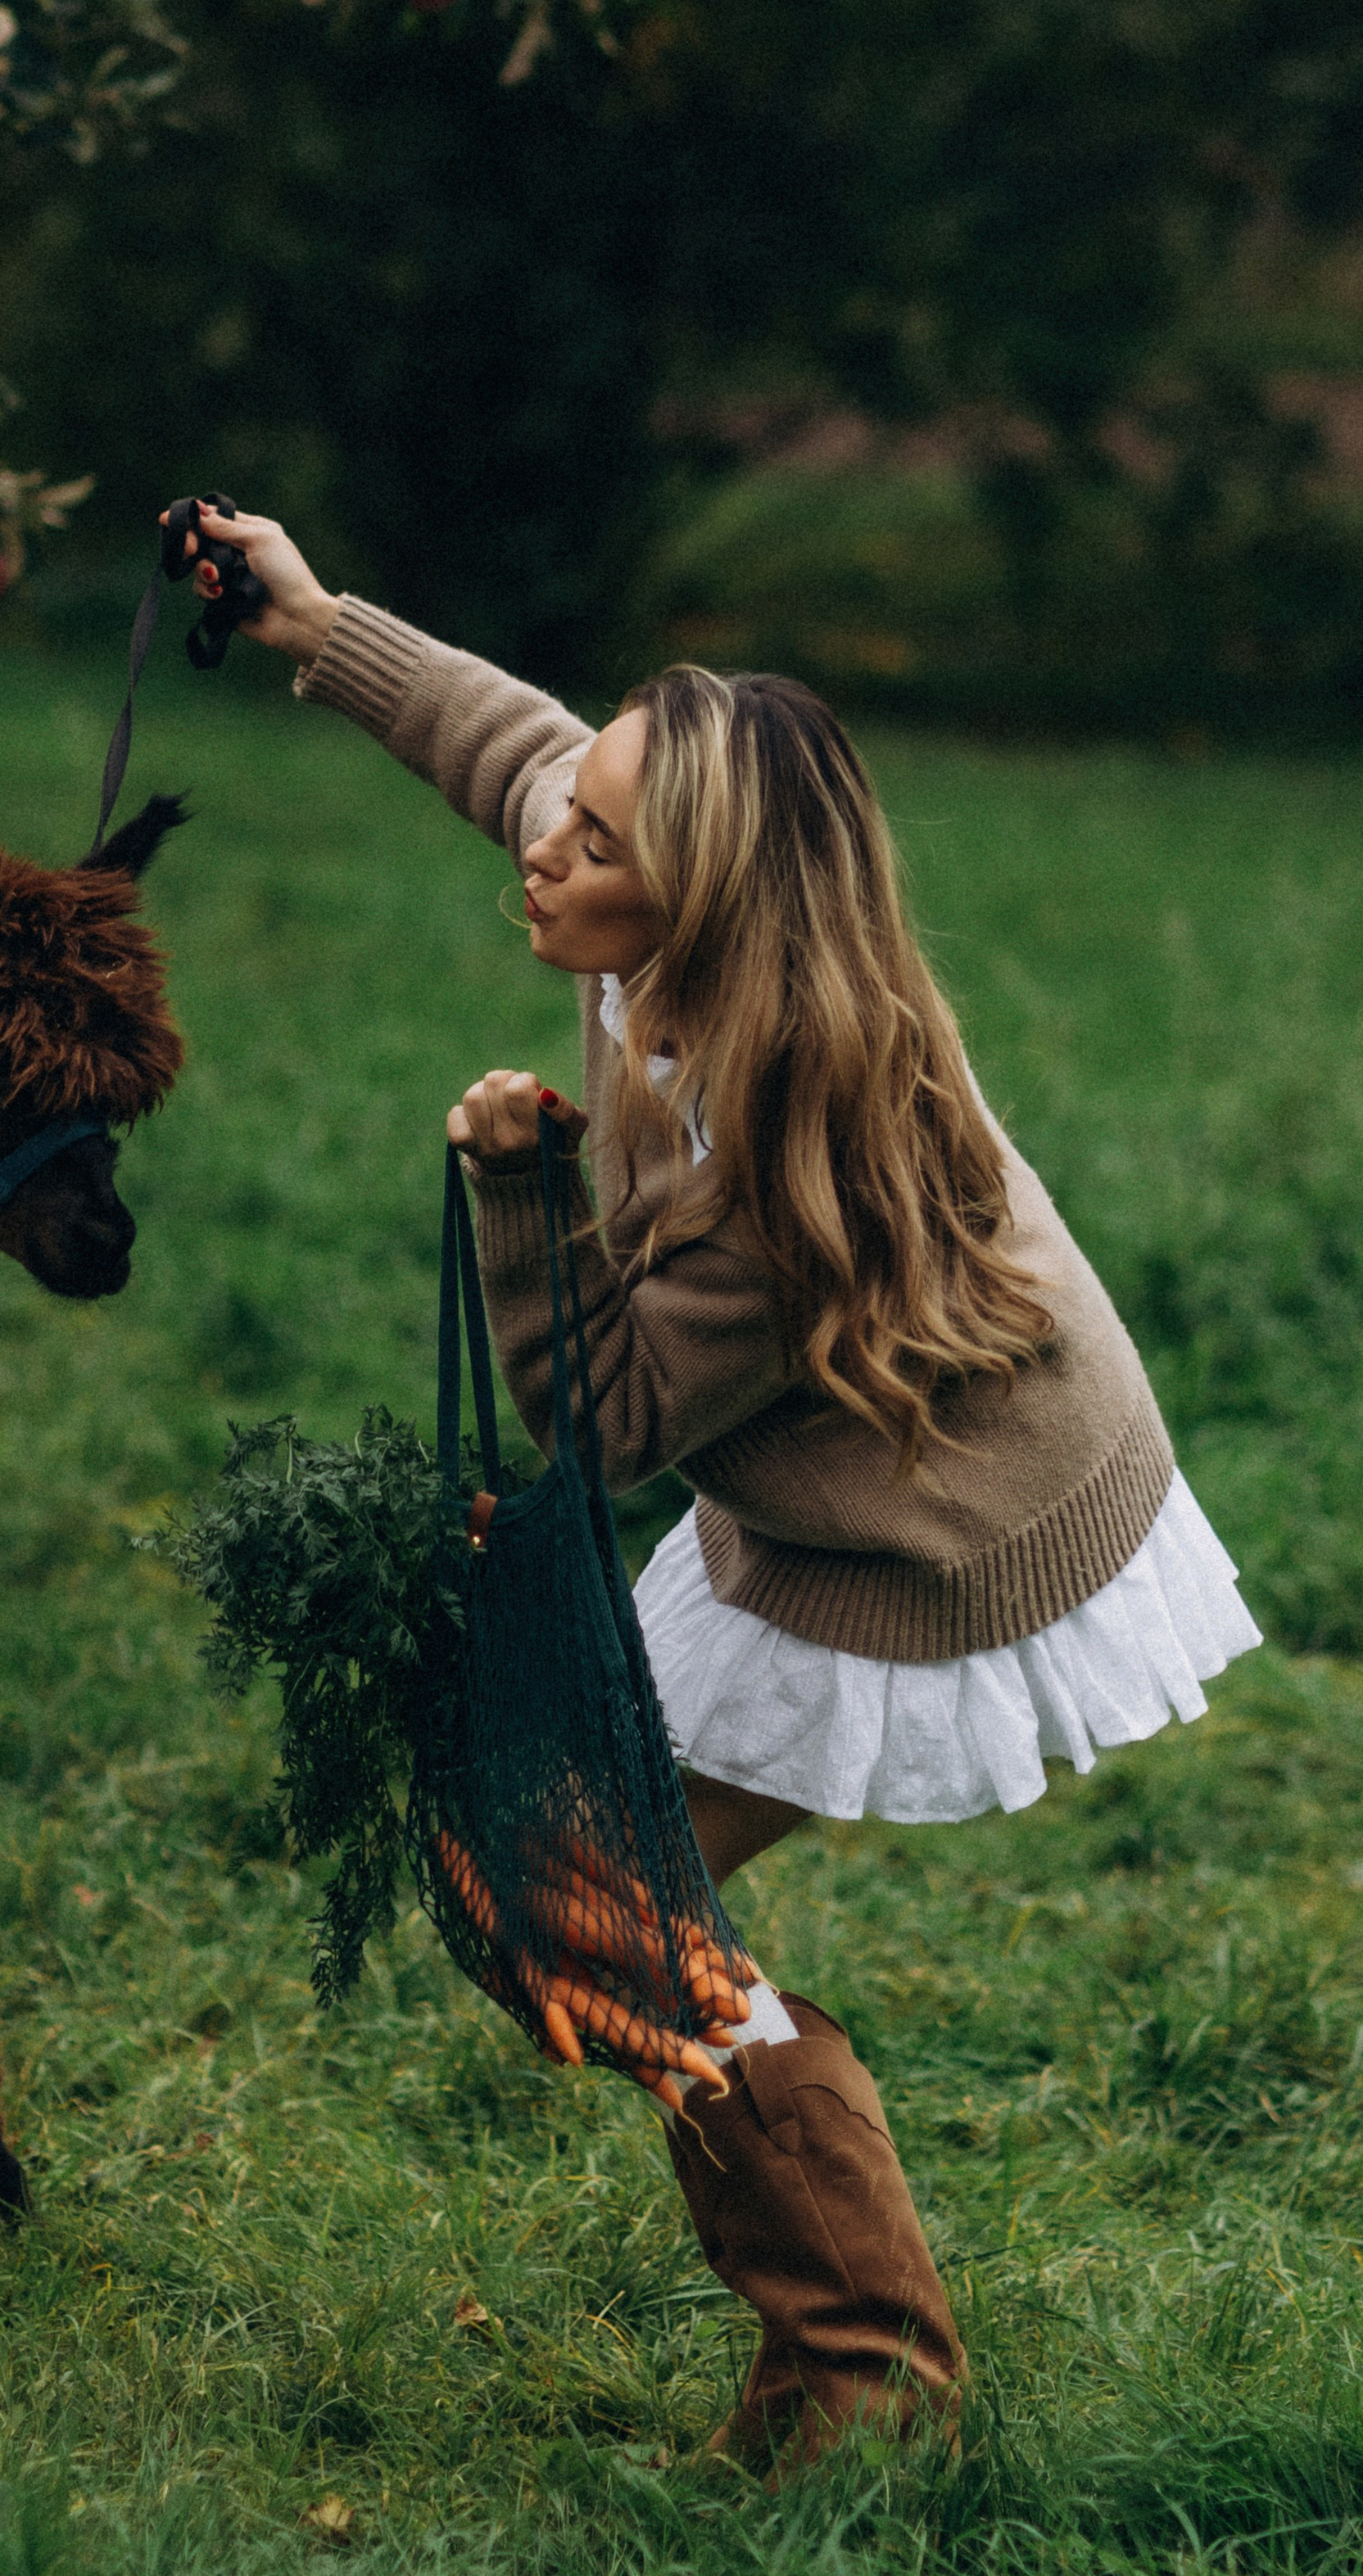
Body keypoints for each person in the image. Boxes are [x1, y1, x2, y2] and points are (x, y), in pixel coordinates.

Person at [166, 499, 1261, 2470]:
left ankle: (866, 2378)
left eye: (595, 845)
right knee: (560, 1889)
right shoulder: (651, 915)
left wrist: (517, 1187)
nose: (545, 842)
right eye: (571, 812)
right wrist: (316, 624)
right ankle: (858, 2346)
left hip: (944, 1534)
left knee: (583, 1897)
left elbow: (599, 1425)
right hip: (819, 1486)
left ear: (695, 907)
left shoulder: (773, 1129)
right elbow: (509, 743)